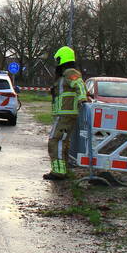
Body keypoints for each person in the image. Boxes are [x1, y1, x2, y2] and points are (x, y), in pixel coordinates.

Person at [44, 45, 88, 181]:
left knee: (54, 141)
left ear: (62, 59)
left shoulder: (70, 72)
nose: (56, 63)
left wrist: (82, 99)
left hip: (65, 115)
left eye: (57, 59)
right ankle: (62, 170)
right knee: (62, 142)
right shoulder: (64, 75)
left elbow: (79, 84)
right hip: (64, 114)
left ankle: (58, 172)